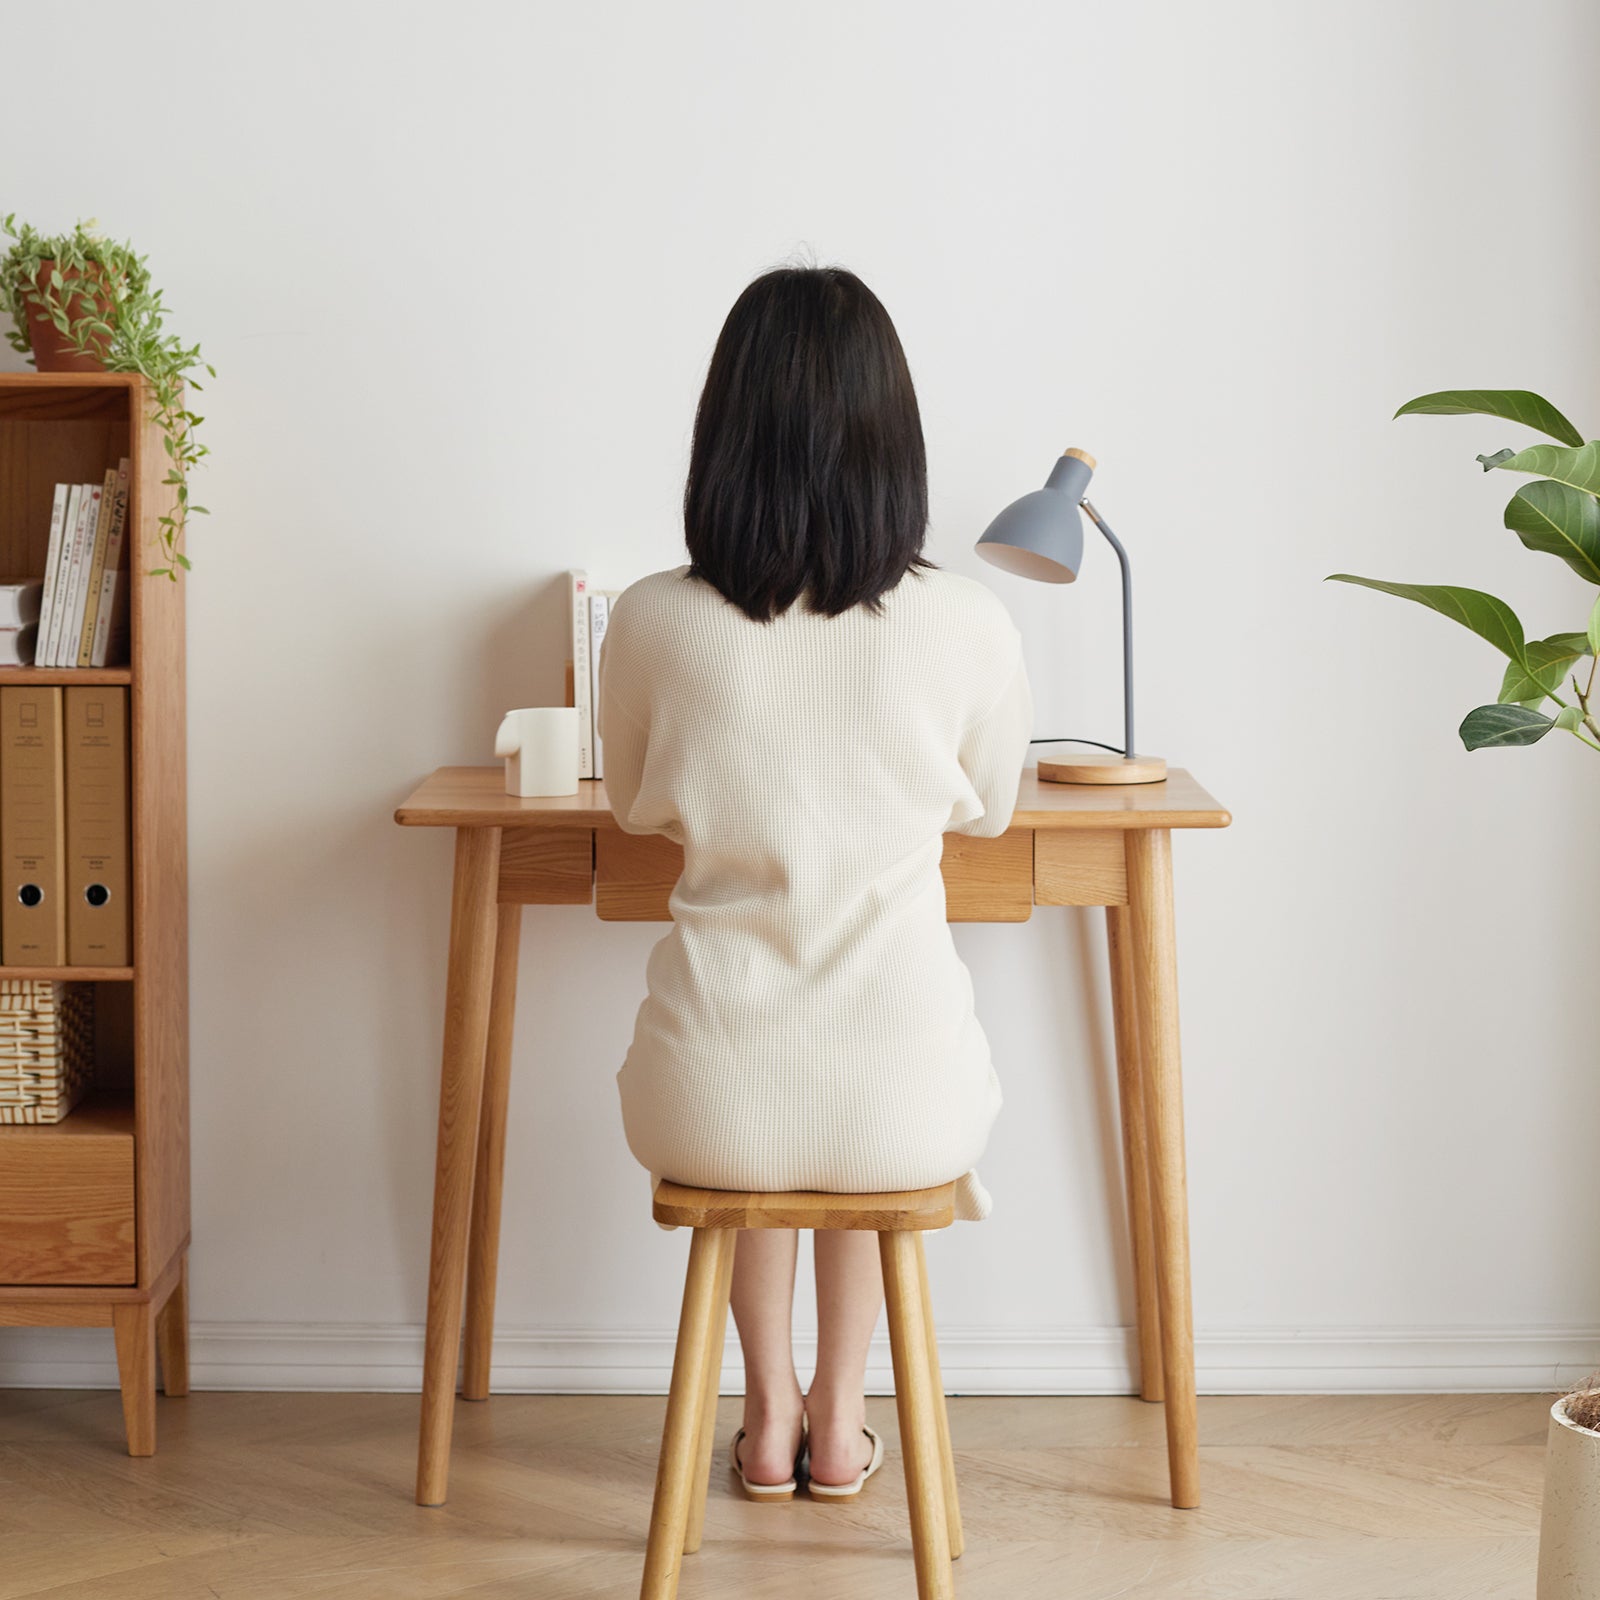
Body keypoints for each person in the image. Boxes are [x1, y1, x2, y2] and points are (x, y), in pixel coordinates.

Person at [597, 264, 1033, 1498]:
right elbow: (993, 808)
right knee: (866, 1104)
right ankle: (841, 1420)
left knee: (763, 1094)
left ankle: (770, 1405)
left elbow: (634, 803)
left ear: (722, 433)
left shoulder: (650, 619)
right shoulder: (968, 625)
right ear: (893, 439)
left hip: (704, 1093)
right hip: (910, 1095)